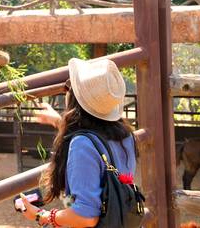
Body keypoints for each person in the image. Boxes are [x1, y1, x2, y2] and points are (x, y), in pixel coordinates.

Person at [19, 58, 137, 227]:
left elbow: (86, 217)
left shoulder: (82, 145)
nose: (67, 91)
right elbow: (99, 141)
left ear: (75, 97)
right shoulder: (126, 136)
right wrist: (59, 121)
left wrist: (41, 215)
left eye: (70, 87)